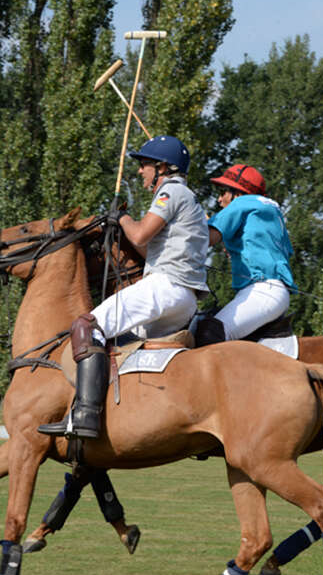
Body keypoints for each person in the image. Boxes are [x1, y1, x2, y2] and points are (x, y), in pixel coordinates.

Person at [39, 135, 209, 439]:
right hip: (182, 297)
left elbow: (142, 235)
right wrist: (121, 227)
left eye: (145, 165)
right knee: (122, 342)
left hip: (165, 288)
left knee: (86, 325)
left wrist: (123, 217)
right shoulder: (189, 198)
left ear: (163, 168)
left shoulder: (170, 192)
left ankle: (85, 416)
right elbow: (149, 253)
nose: (140, 171)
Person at [195, 164, 297, 347]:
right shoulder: (271, 210)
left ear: (239, 193)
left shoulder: (243, 203)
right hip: (272, 291)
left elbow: (205, 240)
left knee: (209, 334)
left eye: (223, 192)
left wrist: (192, 219)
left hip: (263, 291)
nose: (219, 200)